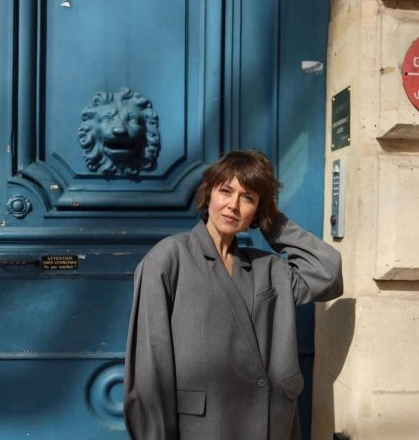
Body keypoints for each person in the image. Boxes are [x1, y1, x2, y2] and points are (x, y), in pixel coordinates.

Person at [123, 150, 343, 440]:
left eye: (248, 198)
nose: (233, 205)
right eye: (226, 191)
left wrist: (273, 221)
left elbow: (328, 271)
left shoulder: (267, 267)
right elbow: (149, 369)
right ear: (209, 194)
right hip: (202, 427)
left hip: (268, 424)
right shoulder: (168, 259)